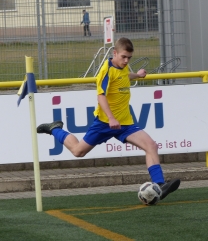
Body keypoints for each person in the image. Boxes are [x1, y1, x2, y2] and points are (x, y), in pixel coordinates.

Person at [37, 37, 180, 201]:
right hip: (105, 123)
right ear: (115, 53)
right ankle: (55, 128)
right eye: (123, 57)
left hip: (125, 123)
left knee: (151, 146)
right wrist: (111, 118)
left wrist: (137, 75)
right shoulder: (106, 70)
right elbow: (101, 96)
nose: (126, 61)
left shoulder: (122, 67)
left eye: (129, 58)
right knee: (78, 151)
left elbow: (124, 76)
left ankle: (159, 185)